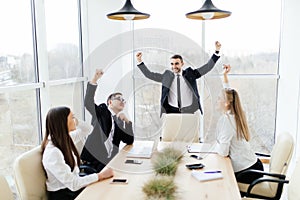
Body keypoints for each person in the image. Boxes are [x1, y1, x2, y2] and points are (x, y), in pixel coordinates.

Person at [41, 106, 114, 200]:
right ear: (62, 123)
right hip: (64, 195)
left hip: (72, 188)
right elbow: (73, 184)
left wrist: (77, 122)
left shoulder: (66, 139)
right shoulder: (53, 153)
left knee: (106, 190)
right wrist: (100, 175)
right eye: (72, 117)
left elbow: (89, 129)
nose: (74, 119)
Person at [135, 41, 222, 116]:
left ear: (182, 64)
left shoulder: (190, 74)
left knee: (188, 134)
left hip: (189, 110)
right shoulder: (166, 76)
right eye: (172, 64)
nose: (174, 66)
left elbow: (207, 67)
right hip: (171, 111)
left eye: (176, 63)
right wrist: (140, 61)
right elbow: (149, 74)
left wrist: (216, 51)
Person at [214, 64, 264, 184]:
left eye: (218, 98)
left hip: (248, 172)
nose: (217, 100)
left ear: (226, 103)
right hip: (254, 166)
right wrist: (225, 76)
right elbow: (229, 93)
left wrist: (215, 146)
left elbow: (223, 152)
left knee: (220, 183)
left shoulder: (227, 120)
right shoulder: (236, 113)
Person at [81, 69, 134, 172]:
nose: (122, 101)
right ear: (110, 102)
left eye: (124, 100)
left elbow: (129, 140)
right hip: (94, 162)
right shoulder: (102, 111)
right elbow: (88, 102)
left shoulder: (118, 121)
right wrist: (94, 80)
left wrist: (127, 122)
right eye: (119, 98)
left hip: (109, 162)